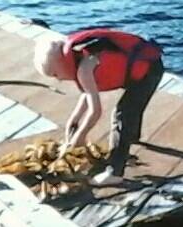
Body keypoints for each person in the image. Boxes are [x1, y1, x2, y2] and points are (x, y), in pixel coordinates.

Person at [32, 30, 164, 185]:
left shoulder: (84, 68)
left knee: (122, 114)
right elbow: (86, 98)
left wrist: (80, 137)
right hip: (143, 69)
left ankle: (115, 172)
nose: (59, 80)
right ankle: (131, 137)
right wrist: (72, 123)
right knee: (132, 108)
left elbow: (95, 111)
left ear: (61, 62)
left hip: (149, 70)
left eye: (55, 74)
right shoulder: (79, 59)